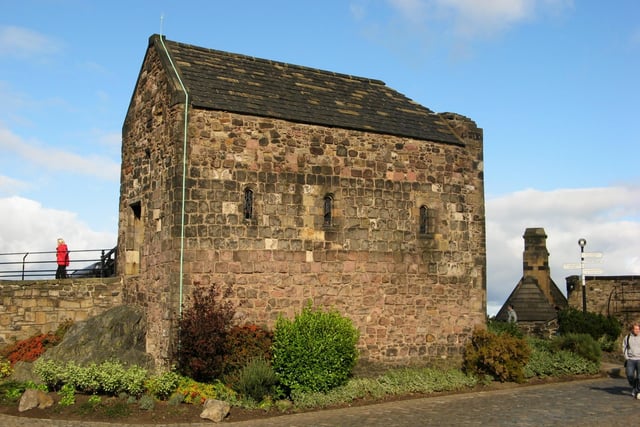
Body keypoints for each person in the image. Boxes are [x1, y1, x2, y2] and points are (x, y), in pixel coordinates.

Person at [622, 322, 640, 398]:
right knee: (629, 375)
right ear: (632, 329)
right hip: (630, 360)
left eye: (638, 329)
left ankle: (637, 390)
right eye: (636, 329)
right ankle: (634, 386)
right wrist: (626, 357)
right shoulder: (627, 337)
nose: (637, 330)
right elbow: (624, 347)